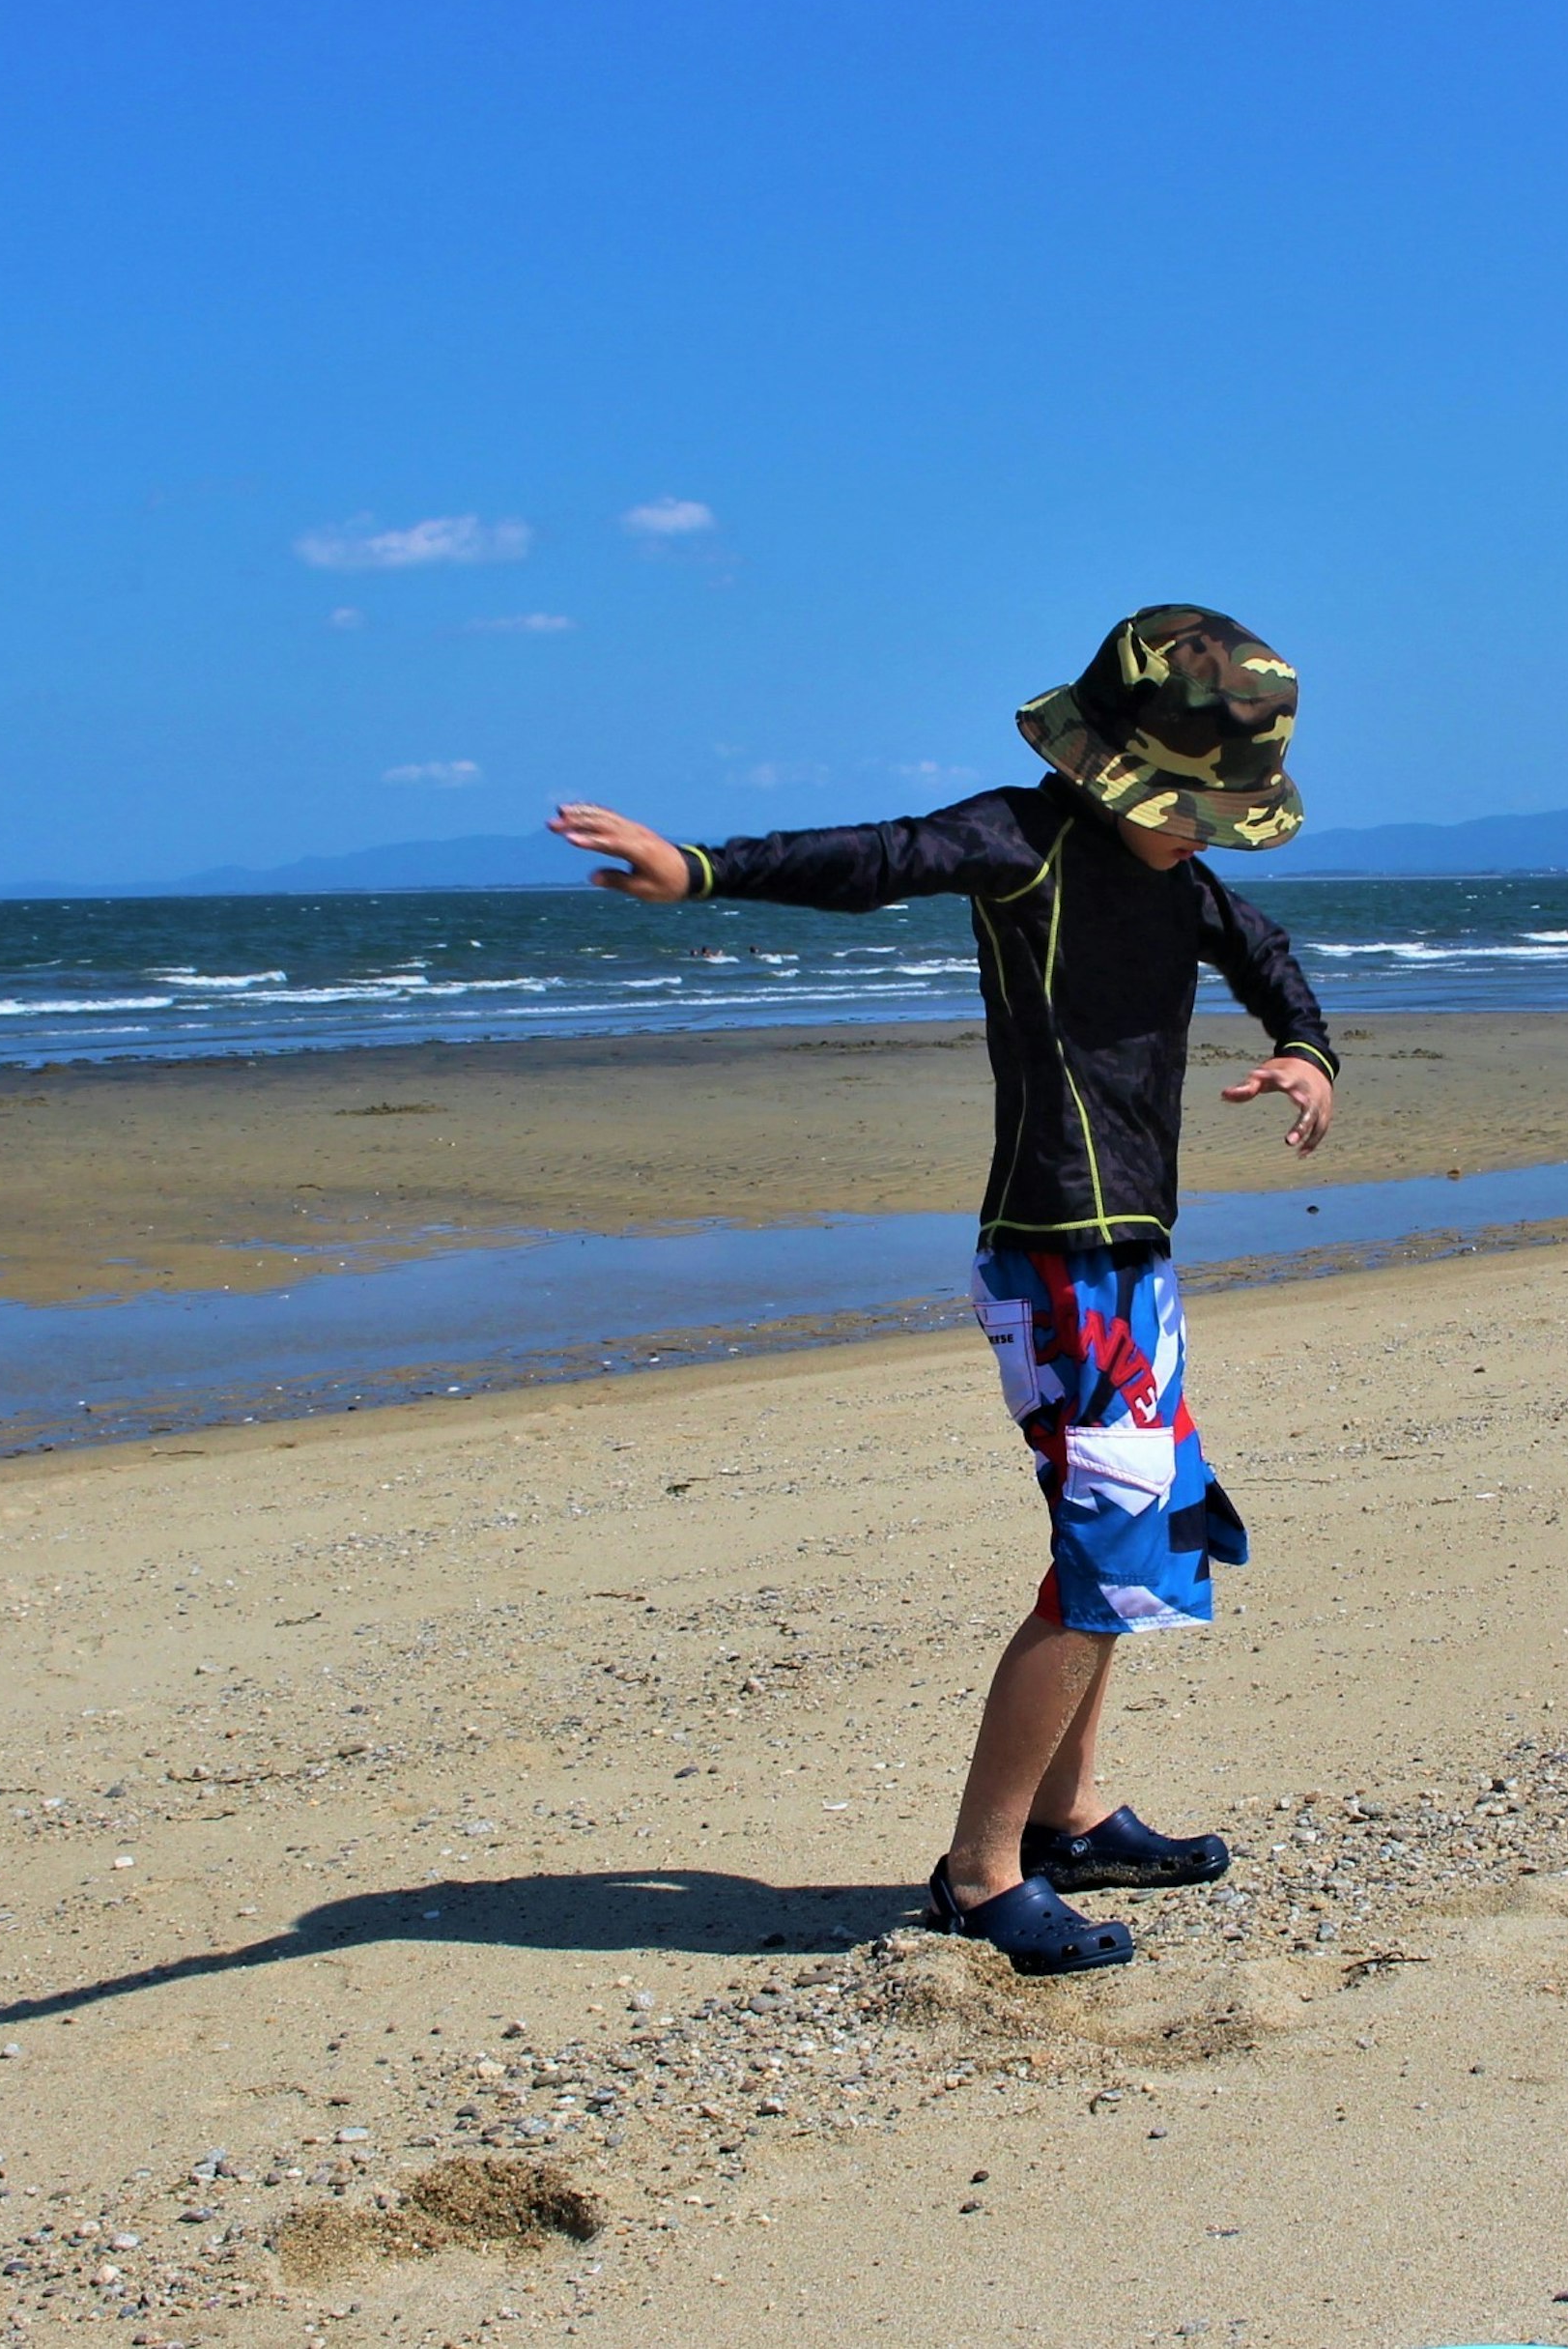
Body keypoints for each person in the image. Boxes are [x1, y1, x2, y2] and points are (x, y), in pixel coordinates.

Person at [550, 606, 1339, 1978]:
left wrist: (1307, 1048)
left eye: (1220, 810)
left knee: (1140, 1546)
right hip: (1057, 1258)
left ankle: (1072, 1813)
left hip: (1130, 1260)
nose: (1206, 832)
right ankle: (982, 1872)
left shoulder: (1184, 876)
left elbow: (1266, 949)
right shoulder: (1024, 844)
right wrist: (704, 868)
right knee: (1108, 1559)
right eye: (1192, 803)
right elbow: (875, 858)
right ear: (1117, 773)